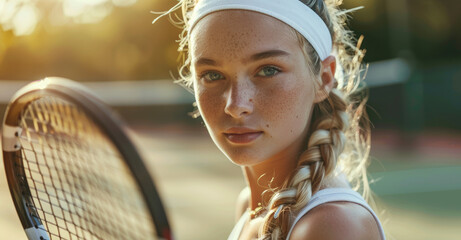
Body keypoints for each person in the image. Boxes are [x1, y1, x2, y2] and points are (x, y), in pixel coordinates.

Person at [154, 0, 386, 239]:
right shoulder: (250, 206)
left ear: (324, 78)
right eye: (212, 75)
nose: (235, 105)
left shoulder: (335, 226)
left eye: (268, 70)